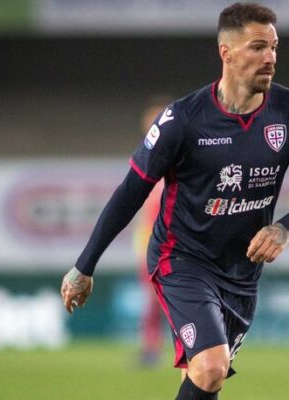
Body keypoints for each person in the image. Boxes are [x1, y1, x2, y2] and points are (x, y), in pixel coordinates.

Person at [61, 3, 289, 399]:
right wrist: (84, 267)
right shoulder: (183, 119)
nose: (270, 58)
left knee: (201, 377)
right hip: (182, 259)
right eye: (258, 47)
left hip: (241, 273)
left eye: (274, 47)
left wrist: (284, 228)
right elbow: (131, 191)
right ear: (227, 53)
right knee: (211, 367)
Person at [133, 95, 171, 367]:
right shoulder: (146, 159)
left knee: (172, 298)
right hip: (150, 241)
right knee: (152, 299)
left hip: (176, 241)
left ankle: (192, 346)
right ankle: (151, 347)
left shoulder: (181, 157)